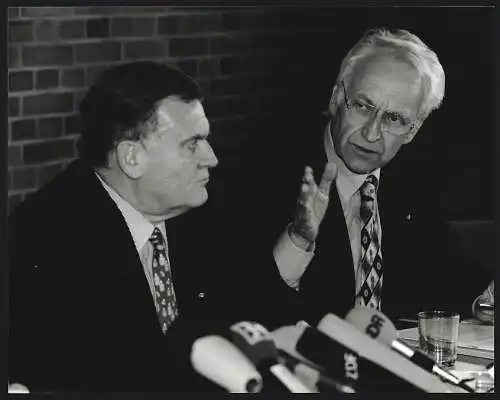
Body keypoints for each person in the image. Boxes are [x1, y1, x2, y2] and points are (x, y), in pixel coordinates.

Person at [237, 28, 493, 327]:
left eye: (394, 119)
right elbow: (248, 303)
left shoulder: (409, 182)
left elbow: (451, 272)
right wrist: (299, 240)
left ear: (413, 130)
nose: (372, 133)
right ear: (336, 98)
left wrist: (485, 298)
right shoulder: (267, 175)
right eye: (363, 106)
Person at [7, 62, 240, 392]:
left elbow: (247, 315)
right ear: (132, 158)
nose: (211, 157)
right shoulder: (45, 243)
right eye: (192, 143)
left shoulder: (204, 206)